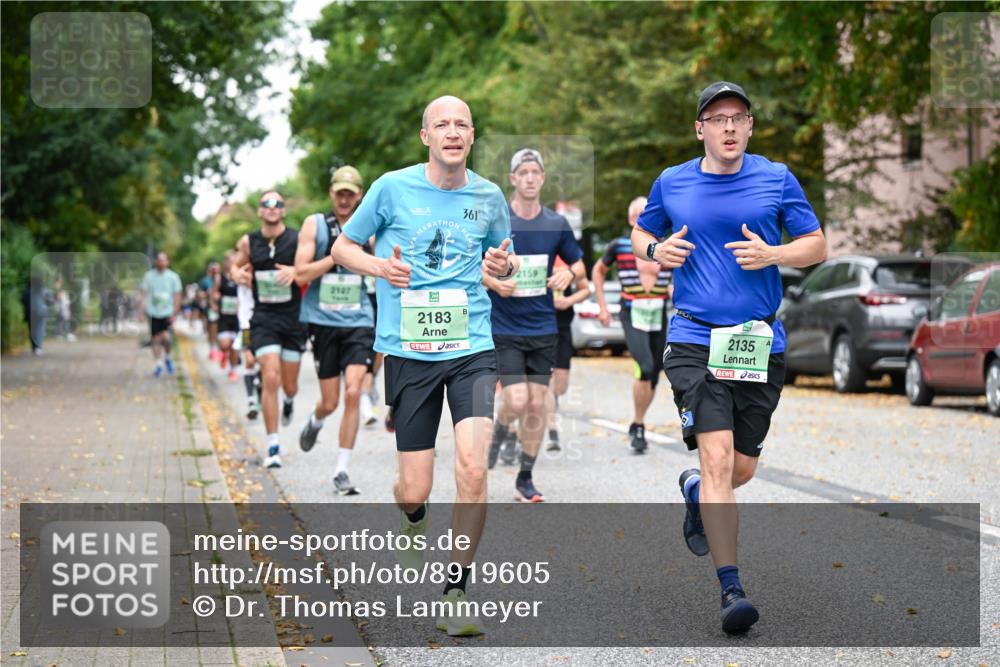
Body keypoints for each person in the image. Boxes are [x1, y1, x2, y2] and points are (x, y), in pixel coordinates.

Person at [632, 81, 826, 633]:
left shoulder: (776, 177)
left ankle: (696, 491)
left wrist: (774, 253)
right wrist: (657, 249)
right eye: (718, 119)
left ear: (750, 126)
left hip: (758, 341)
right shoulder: (672, 181)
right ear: (700, 129)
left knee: (739, 469)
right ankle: (731, 589)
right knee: (717, 459)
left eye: (738, 117)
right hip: (694, 337)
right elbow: (642, 232)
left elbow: (816, 244)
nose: (729, 127)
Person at [332, 95, 517, 636]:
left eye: (462, 124)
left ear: (472, 136)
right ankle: (413, 516)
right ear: (426, 136)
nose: (452, 132)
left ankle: (456, 592)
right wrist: (379, 268)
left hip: (472, 349)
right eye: (442, 124)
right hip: (410, 353)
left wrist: (503, 264)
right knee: (415, 488)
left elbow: (503, 259)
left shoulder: (489, 196)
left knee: (473, 468)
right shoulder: (391, 188)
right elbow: (343, 248)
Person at [484, 148, 586, 503]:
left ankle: (525, 476)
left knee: (537, 403)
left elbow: (580, 269)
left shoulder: (556, 224)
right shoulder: (497, 221)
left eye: (535, 172)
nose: (529, 178)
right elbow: (474, 268)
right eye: (522, 172)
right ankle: (499, 432)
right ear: (513, 179)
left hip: (543, 327)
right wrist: (495, 284)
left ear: (542, 179)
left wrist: (567, 273)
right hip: (505, 326)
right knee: (516, 399)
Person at [295, 165, 375, 496]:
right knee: (330, 401)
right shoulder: (315, 224)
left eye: (350, 194)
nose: (344, 199)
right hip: (323, 321)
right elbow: (301, 274)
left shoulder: (370, 228)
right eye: (339, 193)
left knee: (354, 392)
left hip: (359, 320)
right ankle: (316, 420)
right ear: (331, 192)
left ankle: (342, 469)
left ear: (359, 196)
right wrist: (336, 255)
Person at [231, 191, 307, 468]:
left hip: (293, 319)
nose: (272, 207)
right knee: (270, 375)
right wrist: (236, 273)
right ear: (260, 211)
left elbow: (309, 269)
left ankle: (289, 400)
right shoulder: (248, 241)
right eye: (267, 204)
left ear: (283, 210)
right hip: (263, 318)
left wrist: (296, 273)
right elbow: (235, 265)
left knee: (289, 385)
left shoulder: (297, 239)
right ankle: (273, 445)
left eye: (277, 204)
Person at [593, 196, 673, 453]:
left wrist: (674, 291)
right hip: (631, 310)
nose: (644, 217)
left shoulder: (666, 247)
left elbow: (678, 278)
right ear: (630, 220)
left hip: (657, 311)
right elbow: (598, 271)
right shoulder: (620, 246)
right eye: (639, 214)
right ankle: (638, 425)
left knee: (655, 372)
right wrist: (602, 306)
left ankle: (639, 421)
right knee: (645, 366)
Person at [545, 255, 589, 451]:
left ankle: (549, 401)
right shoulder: (536, 254)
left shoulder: (571, 261)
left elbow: (585, 289)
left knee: (560, 385)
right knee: (545, 382)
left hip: (563, 327)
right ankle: (552, 431)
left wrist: (568, 301)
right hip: (539, 327)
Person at [138, 252, 183, 376]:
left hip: (167, 312)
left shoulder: (173, 277)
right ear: (156, 262)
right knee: (155, 339)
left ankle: (167, 356)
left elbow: (177, 295)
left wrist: (175, 312)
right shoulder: (148, 276)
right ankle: (158, 364)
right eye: (159, 260)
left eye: (163, 260)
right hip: (153, 312)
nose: (161, 262)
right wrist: (141, 311)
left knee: (166, 338)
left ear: (168, 262)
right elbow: (143, 294)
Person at [235, 273, 261, 419]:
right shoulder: (241, 276)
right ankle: (251, 400)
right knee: (250, 361)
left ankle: (260, 392)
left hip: (263, 325)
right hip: (246, 327)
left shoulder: (260, 273)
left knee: (263, 365)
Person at [216, 252, 242, 381]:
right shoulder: (219, 278)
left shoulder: (241, 276)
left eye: (234, 261)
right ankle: (224, 353)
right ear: (225, 263)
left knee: (235, 345)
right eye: (229, 261)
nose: (232, 263)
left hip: (238, 317)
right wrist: (215, 302)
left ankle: (233, 370)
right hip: (224, 315)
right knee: (225, 344)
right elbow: (214, 293)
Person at [22, 274, 52, 355]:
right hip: (41, 313)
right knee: (39, 330)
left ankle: (34, 347)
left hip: (30, 313)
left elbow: (23, 301)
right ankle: (38, 347)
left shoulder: (27, 291)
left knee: (31, 330)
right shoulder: (44, 290)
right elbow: (49, 301)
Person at [200, 262, 222, 361]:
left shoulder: (223, 279)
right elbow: (200, 294)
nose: (214, 271)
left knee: (220, 329)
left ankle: (221, 349)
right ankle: (212, 349)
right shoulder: (205, 281)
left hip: (223, 308)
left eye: (216, 270)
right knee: (212, 327)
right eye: (213, 270)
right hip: (210, 308)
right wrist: (207, 294)